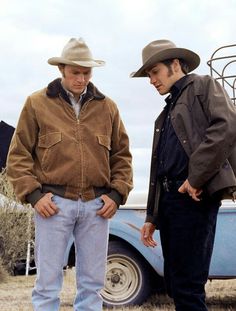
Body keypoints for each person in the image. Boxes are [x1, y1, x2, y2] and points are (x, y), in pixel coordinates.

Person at [6, 37, 133, 311]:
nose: (81, 78)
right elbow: (18, 156)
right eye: (76, 72)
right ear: (62, 69)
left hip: (98, 206)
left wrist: (117, 193)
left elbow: (122, 155)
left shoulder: (108, 107)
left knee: (92, 285)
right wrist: (34, 195)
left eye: (87, 72)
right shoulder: (36, 103)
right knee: (47, 284)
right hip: (53, 205)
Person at [131, 39, 236, 311]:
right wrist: (152, 216)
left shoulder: (202, 86)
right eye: (148, 75)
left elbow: (226, 126)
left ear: (175, 65)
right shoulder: (166, 112)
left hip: (194, 197)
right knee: (176, 285)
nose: (151, 80)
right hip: (171, 202)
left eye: (154, 72)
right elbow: (160, 167)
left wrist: (195, 177)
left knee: (188, 286)